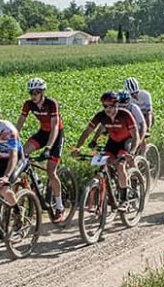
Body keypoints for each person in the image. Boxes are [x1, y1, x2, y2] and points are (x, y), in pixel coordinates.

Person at [72, 91, 139, 211]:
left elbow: (136, 136)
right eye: (105, 106)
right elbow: (87, 132)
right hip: (113, 142)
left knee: (121, 165)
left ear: (117, 105)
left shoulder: (125, 114)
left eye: (111, 106)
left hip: (126, 141)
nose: (107, 109)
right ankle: (109, 189)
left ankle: (124, 200)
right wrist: (78, 148)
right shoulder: (101, 116)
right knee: (103, 163)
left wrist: (132, 151)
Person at [15, 77, 65, 222]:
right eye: (31, 92)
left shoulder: (51, 103)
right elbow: (20, 123)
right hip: (43, 133)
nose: (33, 95)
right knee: (22, 153)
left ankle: (60, 207)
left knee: (51, 171)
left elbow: (55, 126)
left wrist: (49, 147)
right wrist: (12, 140)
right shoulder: (29, 104)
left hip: (56, 135)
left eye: (36, 92)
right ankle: (37, 182)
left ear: (42, 92)